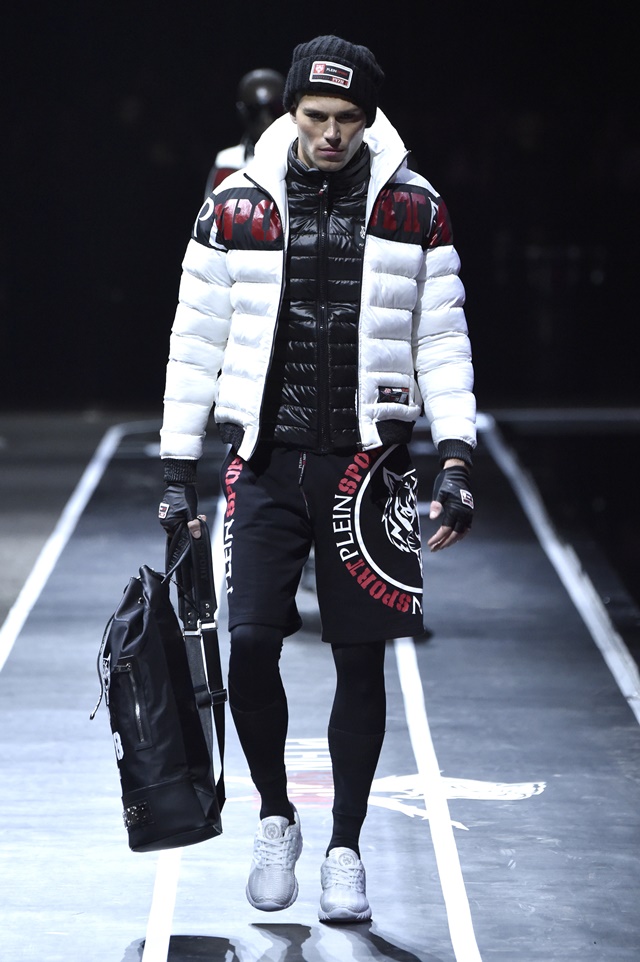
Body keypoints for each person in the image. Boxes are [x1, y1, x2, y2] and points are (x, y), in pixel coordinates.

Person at [158, 35, 476, 922]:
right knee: (251, 644)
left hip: (370, 468)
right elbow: (196, 340)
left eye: (345, 120)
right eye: (315, 117)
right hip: (264, 460)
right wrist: (177, 471)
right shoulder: (236, 206)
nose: (329, 134)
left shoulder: (416, 206)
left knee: (359, 660)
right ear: (291, 114)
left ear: (369, 120)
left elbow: (440, 336)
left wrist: (456, 458)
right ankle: (274, 814)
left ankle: (345, 848)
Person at [203, 68, 285, 197]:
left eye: (275, 108)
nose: (266, 118)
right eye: (255, 110)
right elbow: (211, 213)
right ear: (242, 112)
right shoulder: (228, 162)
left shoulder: (304, 162)